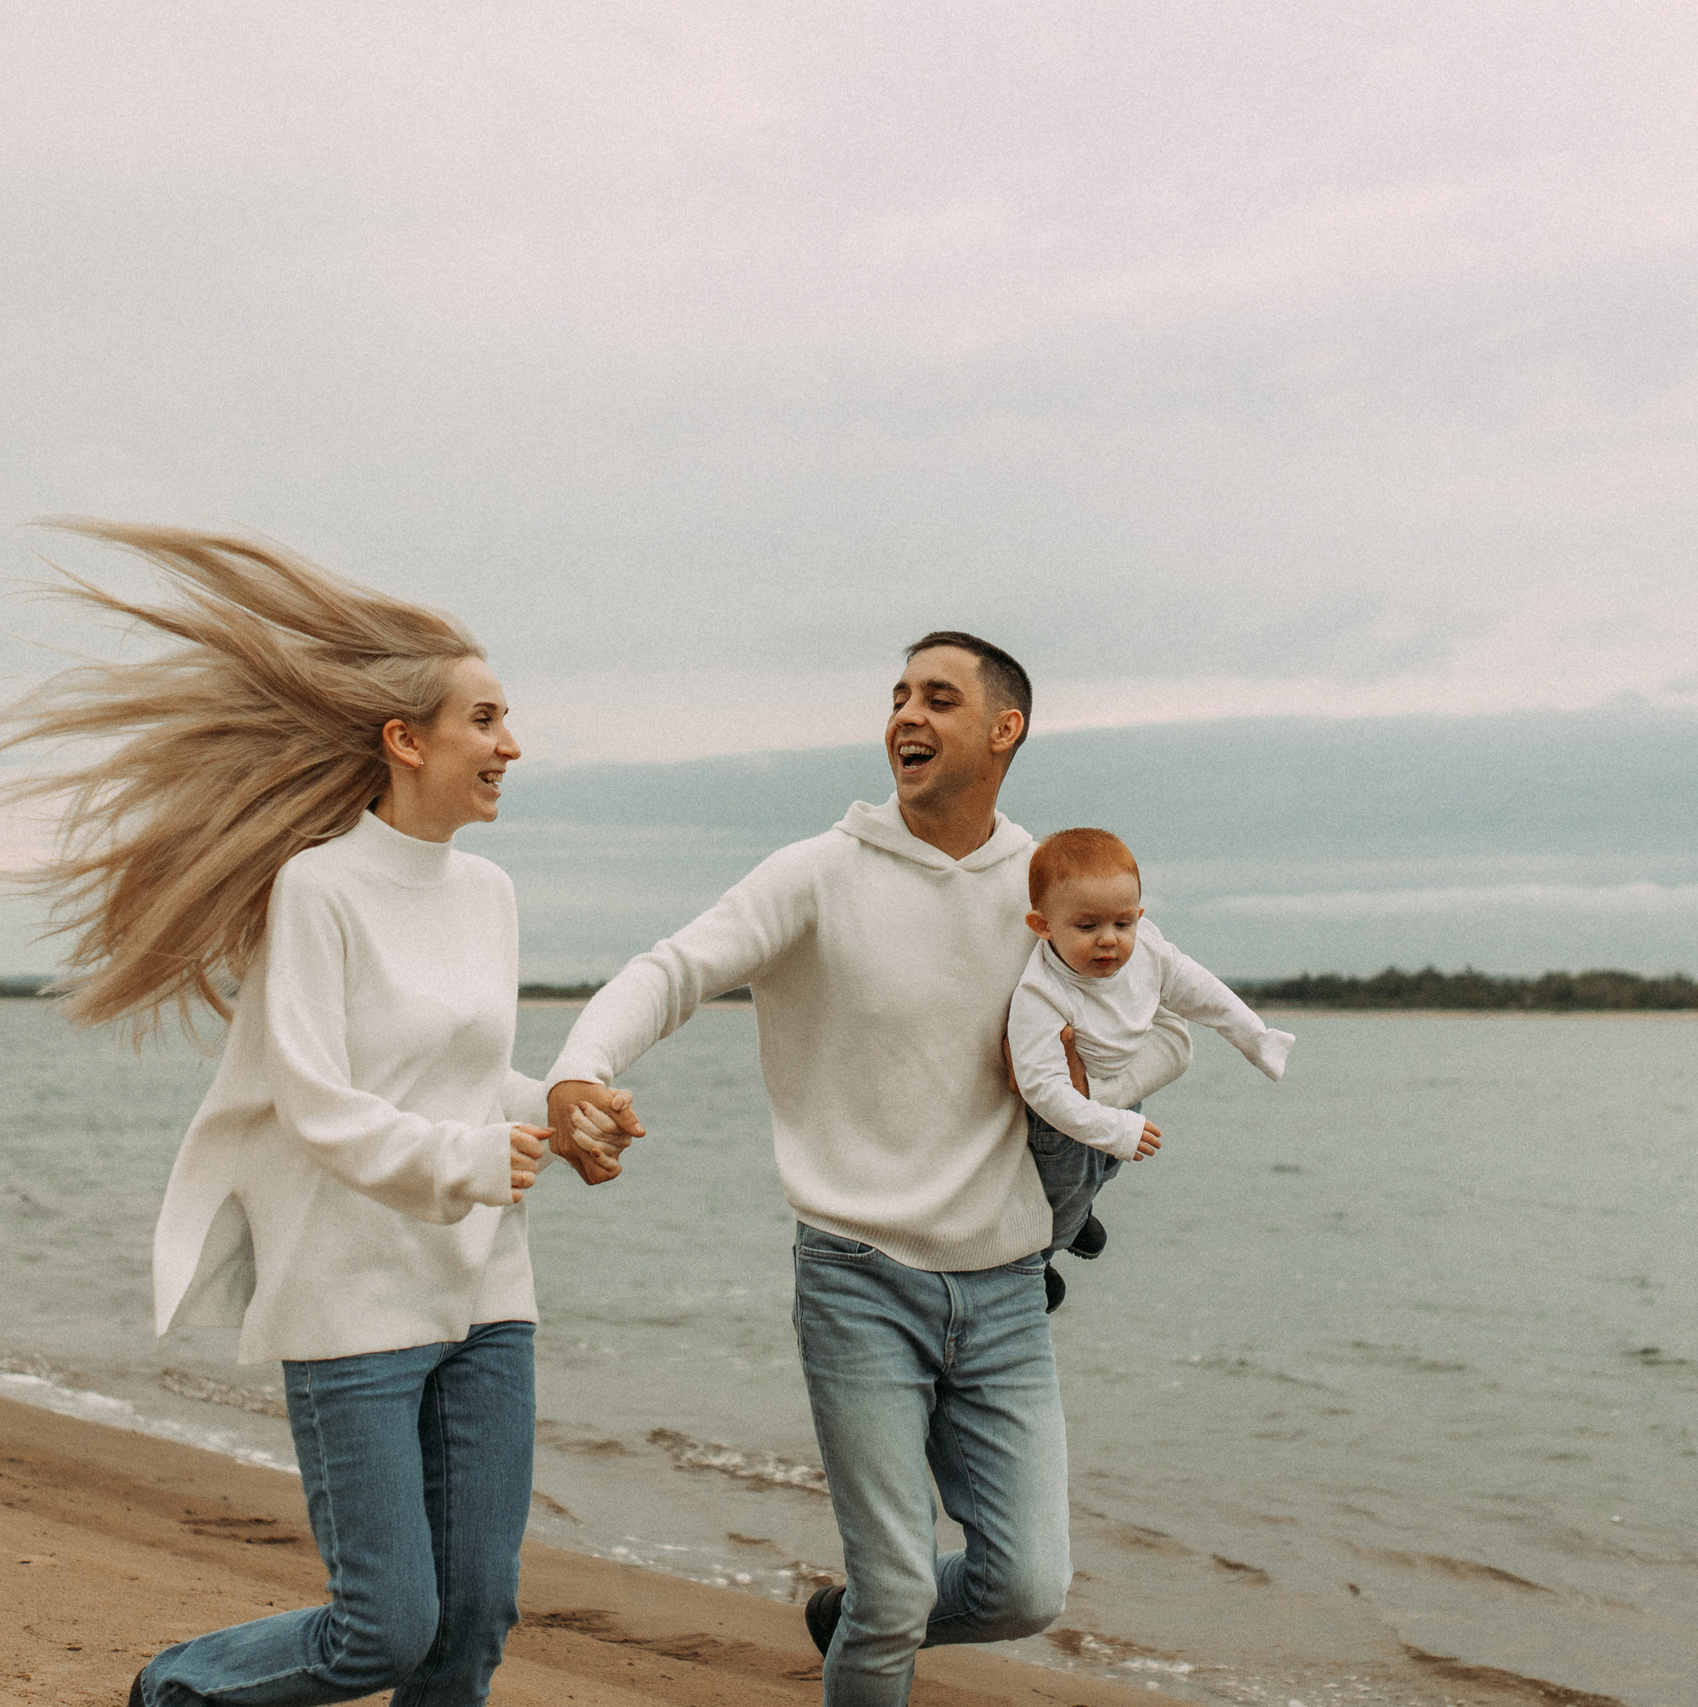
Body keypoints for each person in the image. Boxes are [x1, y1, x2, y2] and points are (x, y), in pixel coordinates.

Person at [0, 522, 604, 1707]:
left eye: (507, 721)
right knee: (383, 1633)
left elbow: (467, 1084)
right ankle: (177, 1691)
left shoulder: (490, 893)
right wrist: (473, 1151)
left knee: (470, 1630)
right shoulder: (318, 889)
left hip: (486, 1300)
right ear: (406, 741)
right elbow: (320, 1102)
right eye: (486, 721)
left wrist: (558, 1110)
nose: (512, 744)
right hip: (349, 1304)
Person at [539, 632, 1189, 1707]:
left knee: (1026, 1588)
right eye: (897, 696)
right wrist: (579, 1072)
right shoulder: (817, 875)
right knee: (896, 1596)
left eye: (939, 697)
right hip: (856, 1280)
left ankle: (846, 1621)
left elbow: (1166, 1031)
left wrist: (1095, 1090)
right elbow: (673, 969)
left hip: (1006, 1292)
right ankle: (872, 1621)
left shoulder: (1049, 890)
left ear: (1004, 729)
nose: (906, 716)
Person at [1008, 826, 1295, 1311]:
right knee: (1065, 1185)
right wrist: (1107, 1127)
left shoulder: (1148, 951)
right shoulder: (1039, 994)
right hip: (1063, 1117)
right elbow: (1043, 1090)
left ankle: (1080, 1212)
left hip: (1118, 1088)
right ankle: (1041, 1259)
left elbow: (1200, 990)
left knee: (1109, 1164)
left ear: (1140, 916)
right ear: (1043, 926)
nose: (1108, 941)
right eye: (1087, 926)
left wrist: (1255, 1037)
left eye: (1123, 923)